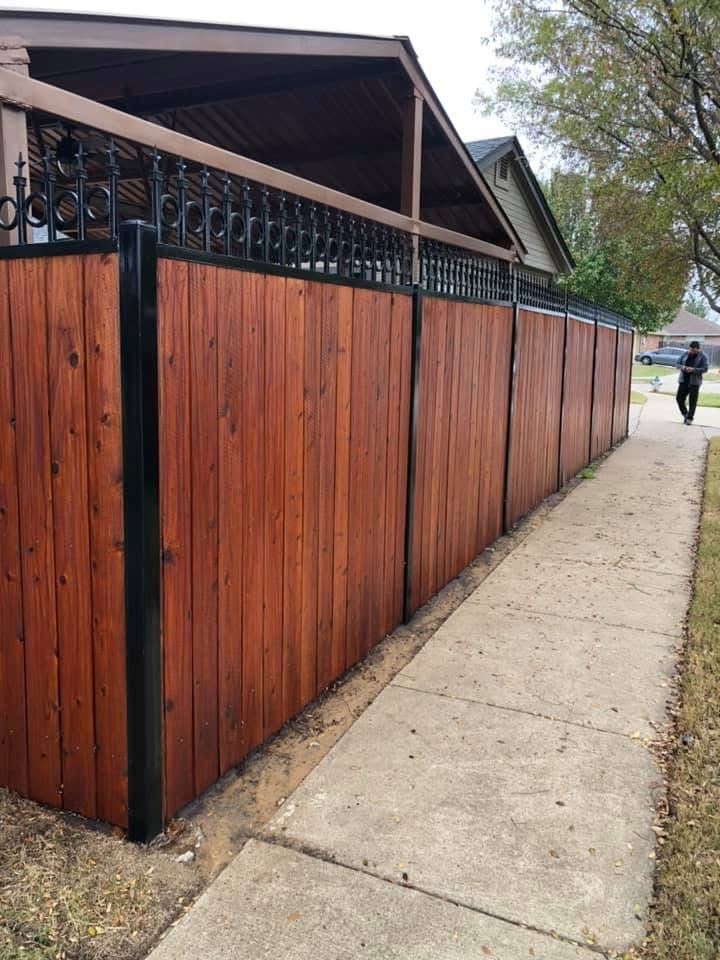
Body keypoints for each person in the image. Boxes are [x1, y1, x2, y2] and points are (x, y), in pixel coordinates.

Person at [676, 341, 709, 424]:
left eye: (694, 350)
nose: (691, 352)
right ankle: (685, 414)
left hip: (694, 382)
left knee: (692, 401)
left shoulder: (703, 356)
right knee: (679, 399)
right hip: (684, 380)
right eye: (691, 350)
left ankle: (690, 418)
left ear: (698, 349)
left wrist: (693, 370)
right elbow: (677, 364)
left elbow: (705, 369)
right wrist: (683, 367)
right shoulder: (685, 354)